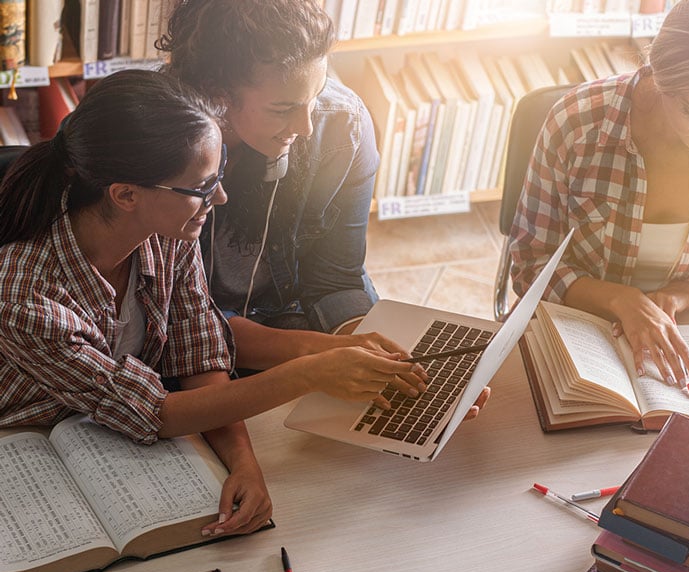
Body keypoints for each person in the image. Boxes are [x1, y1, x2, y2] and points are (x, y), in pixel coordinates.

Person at [0, 69, 430, 539]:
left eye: (219, 175)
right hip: (27, 442)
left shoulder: (166, 227)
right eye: (203, 187)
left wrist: (243, 464)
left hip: (97, 425)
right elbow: (157, 413)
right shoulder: (23, 297)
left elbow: (199, 352)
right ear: (125, 194)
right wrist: (309, 372)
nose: (219, 197)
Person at [509, 0, 689, 391]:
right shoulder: (576, 122)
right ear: (659, 75)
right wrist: (621, 300)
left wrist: (683, 296)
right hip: (583, 329)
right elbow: (528, 264)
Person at [157, 0, 380, 337]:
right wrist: (320, 357)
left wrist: (367, 351)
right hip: (196, 336)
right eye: (283, 109)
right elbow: (179, 321)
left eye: (315, 96)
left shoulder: (342, 126)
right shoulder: (151, 139)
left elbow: (336, 281)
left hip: (296, 313)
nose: (305, 127)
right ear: (218, 94)